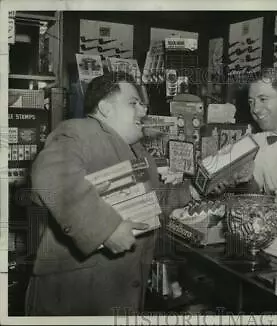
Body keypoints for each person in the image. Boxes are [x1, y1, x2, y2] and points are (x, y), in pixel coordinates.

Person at [25, 73, 193, 316]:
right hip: (74, 299)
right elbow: (52, 176)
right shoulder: (78, 132)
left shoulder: (139, 153)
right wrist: (106, 229)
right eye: (133, 103)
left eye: (143, 105)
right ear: (105, 107)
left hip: (117, 295)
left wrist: (192, 190)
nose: (142, 111)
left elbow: (152, 203)